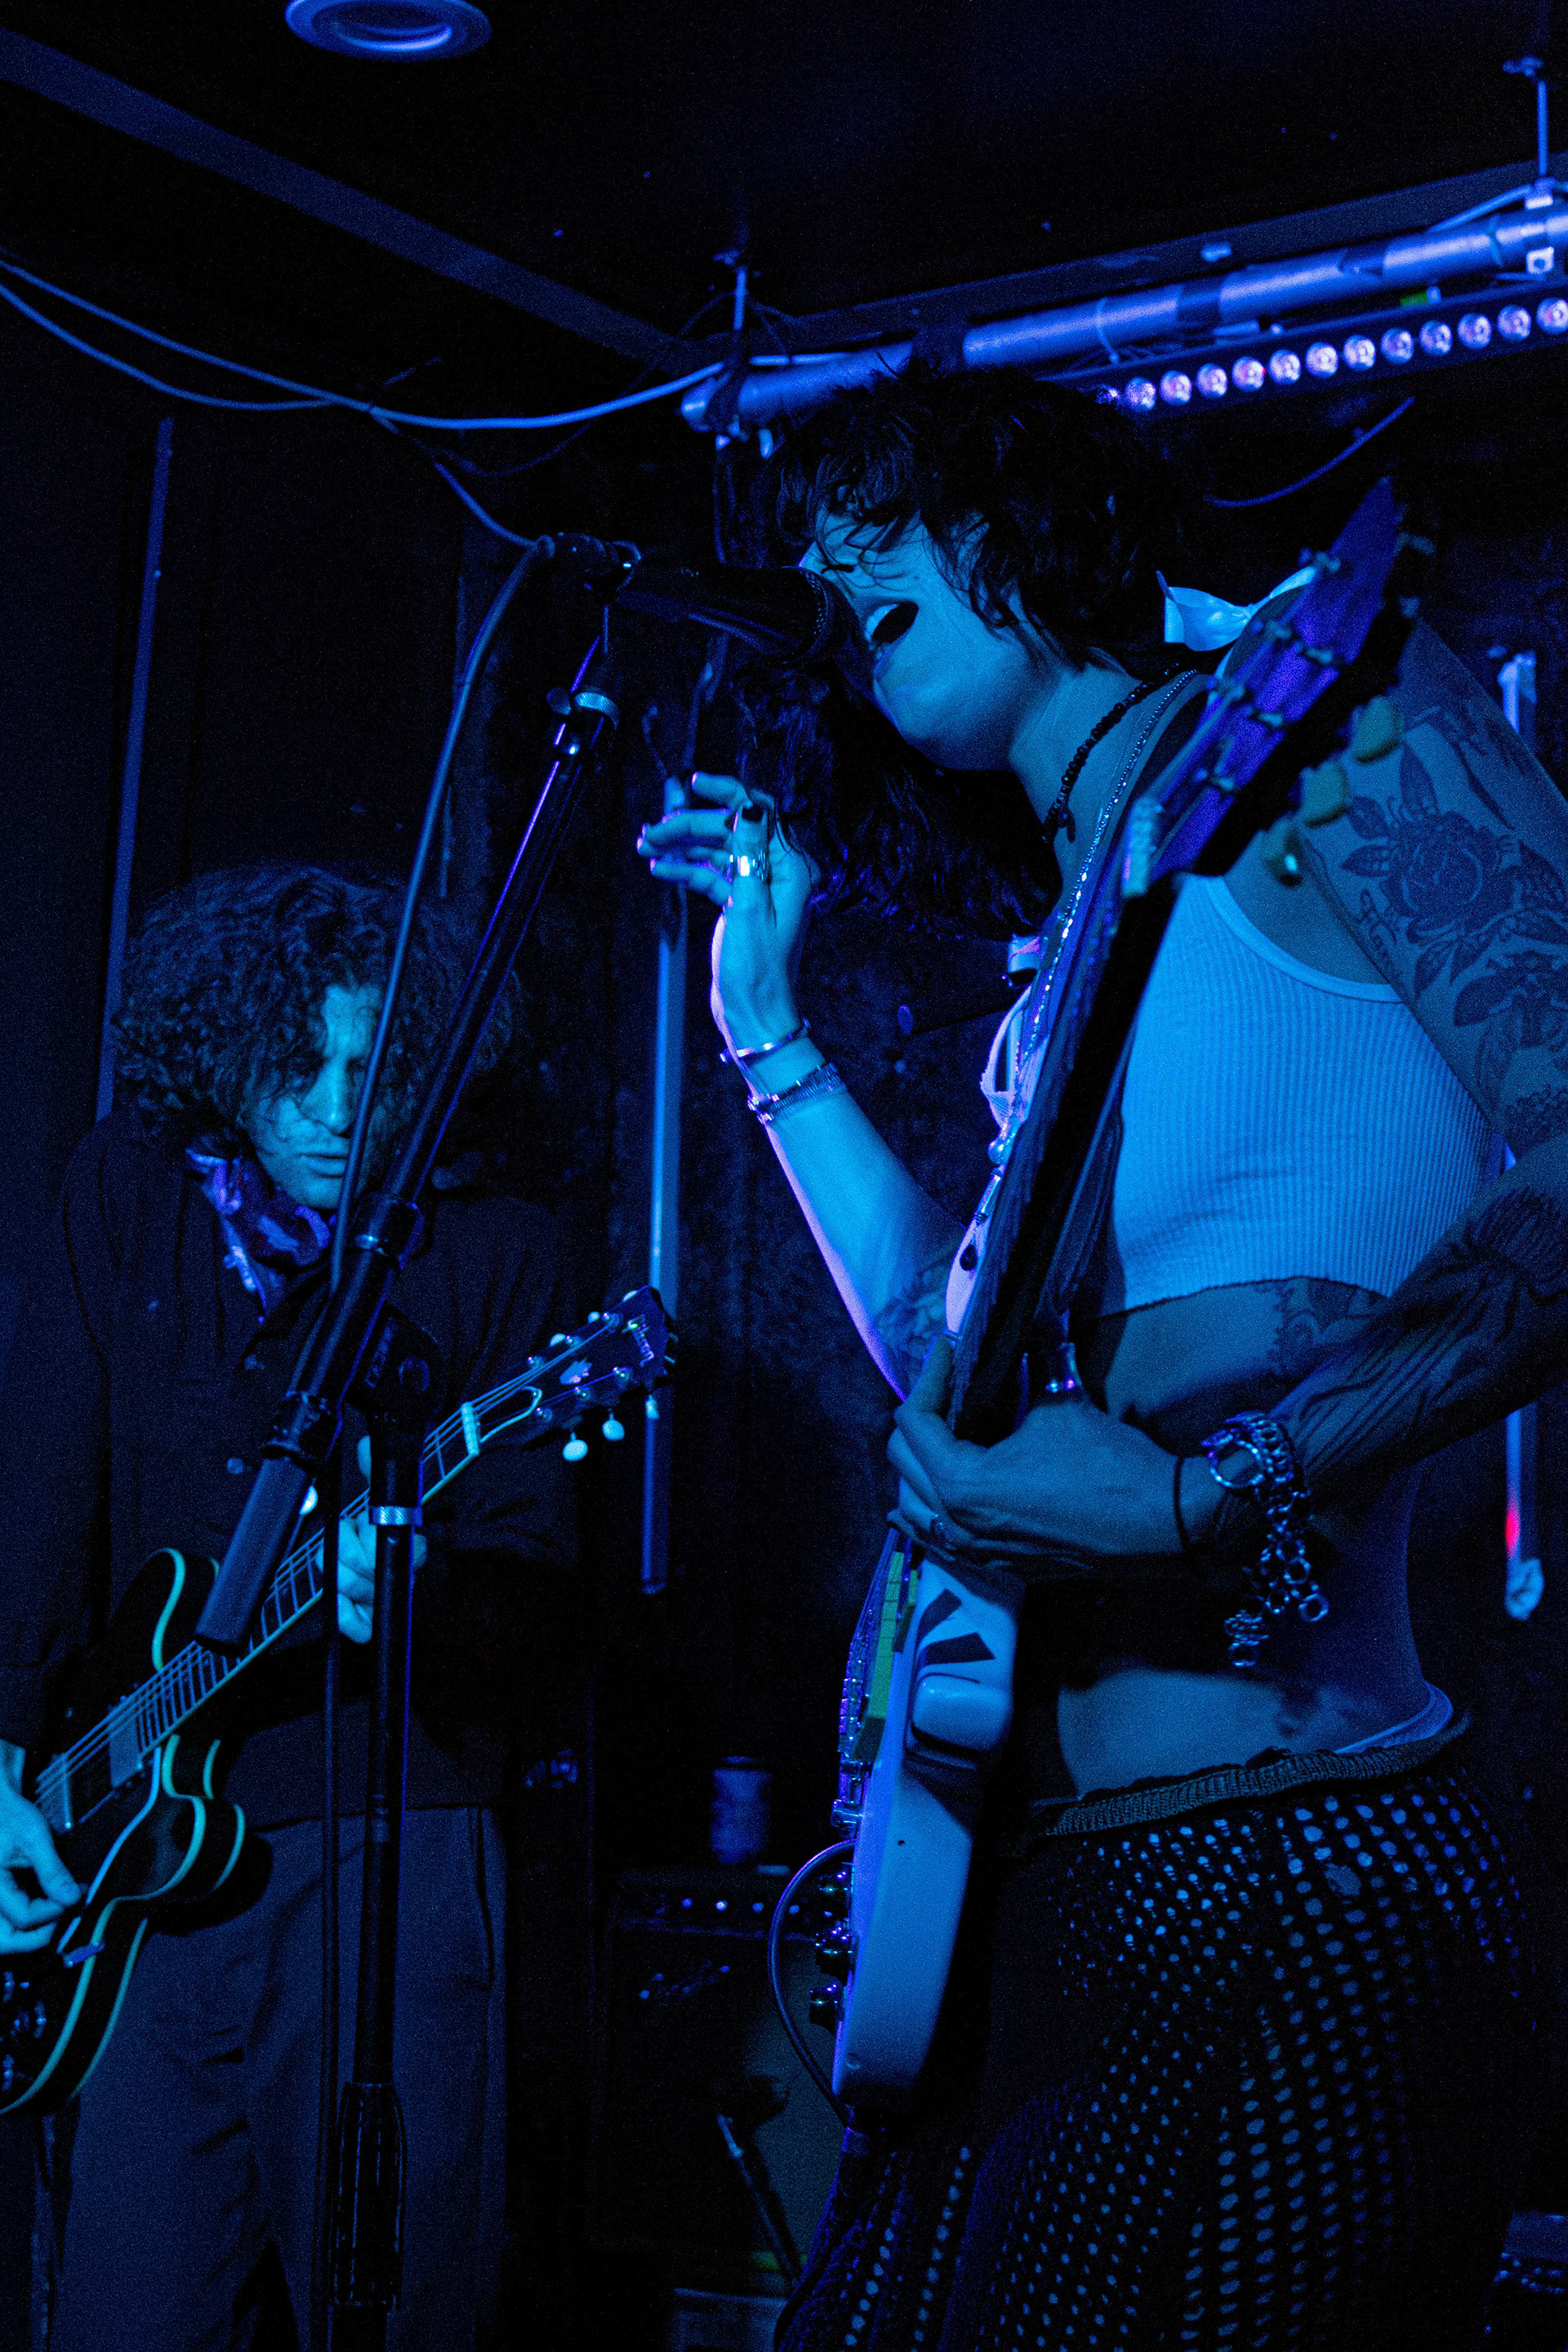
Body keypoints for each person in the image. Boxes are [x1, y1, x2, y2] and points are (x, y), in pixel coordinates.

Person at [638, 363, 1559, 2350]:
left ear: (1024, 521)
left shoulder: (1338, 729)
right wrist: (764, 1027)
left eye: (880, 517)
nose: (831, 575)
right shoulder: (1082, 948)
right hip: (1012, 1905)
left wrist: (1210, 1493)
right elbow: (949, 1372)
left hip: (1289, 1863)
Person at [0, 864, 574, 2350]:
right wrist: (2, 1761)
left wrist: (424, 1587)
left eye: (365, 1071)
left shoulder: (498, 1253)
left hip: (391, 1840)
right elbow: (40, 1491)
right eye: (291, 1066)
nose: (330, 1110)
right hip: (133, 1860)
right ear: (221, 1055)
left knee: (397, 2313)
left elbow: (534, 1573)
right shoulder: (128, 1196)